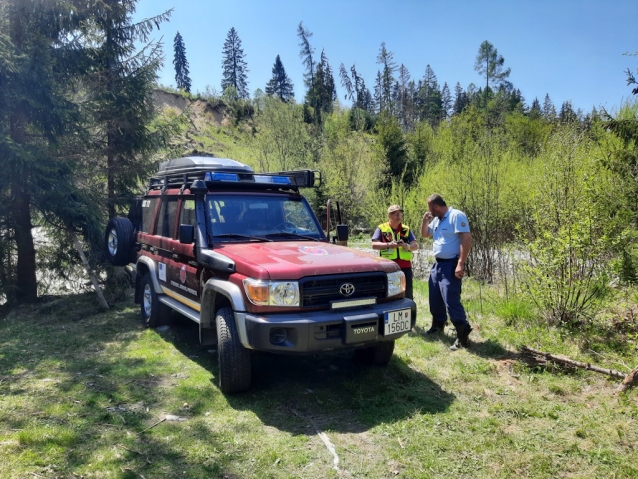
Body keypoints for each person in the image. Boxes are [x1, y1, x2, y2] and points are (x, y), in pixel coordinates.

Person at [420, 194, 473, 350]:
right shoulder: (437, 220)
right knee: (435, 297)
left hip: (451, 264)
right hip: (438, 265)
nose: (429, 211)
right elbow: (425, 234)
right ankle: (437, 326)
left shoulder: (456, 216)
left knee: (451, 300)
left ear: (436, 206)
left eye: (430, 207)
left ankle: (462, 336)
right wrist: (425, 221)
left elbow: (466, 238)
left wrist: (460, 264)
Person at [371, 205, 418, 299]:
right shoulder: (381, 228)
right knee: (388, 293)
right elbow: (374, 245)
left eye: (400, 214)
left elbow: (415, 246)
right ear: (389, 216)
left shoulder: (406, 229)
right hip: (388, 266)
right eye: (395, 214)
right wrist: (388, 245)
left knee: (407, 293)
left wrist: (406, 246)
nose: (398, 216)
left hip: (405, 266)